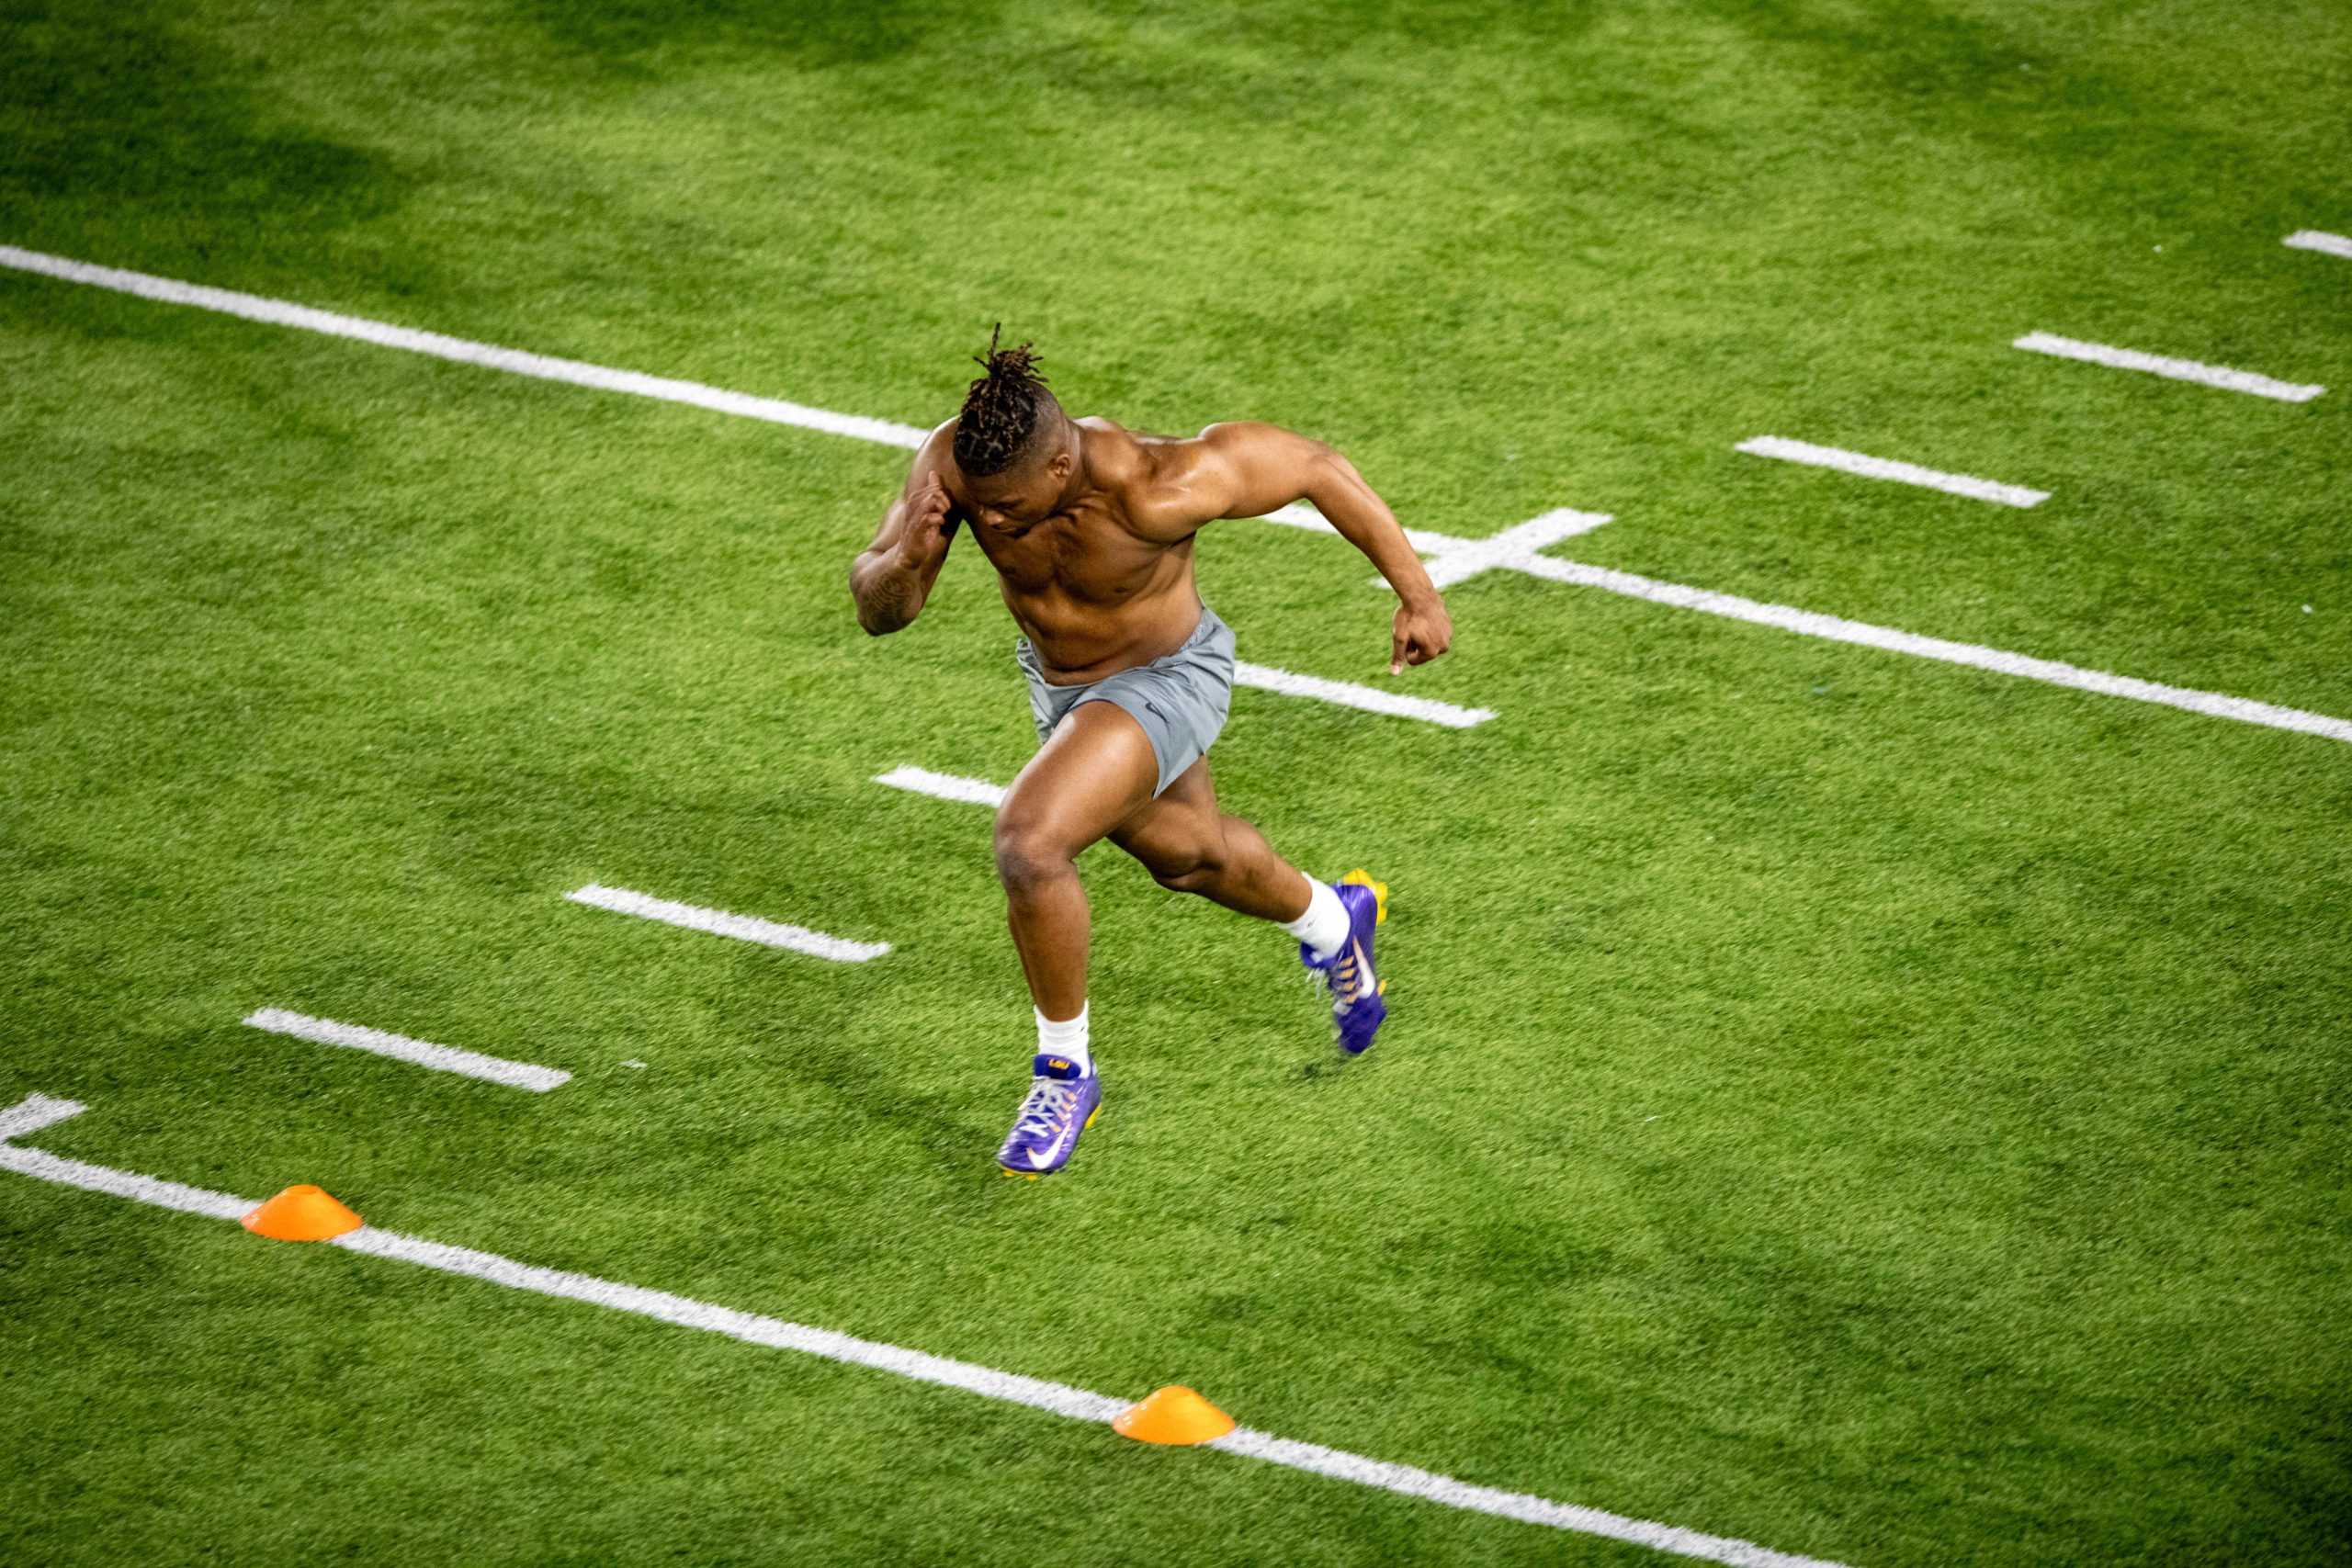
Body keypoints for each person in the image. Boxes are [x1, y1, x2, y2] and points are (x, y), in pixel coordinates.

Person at [848, 330, 1453, 1177]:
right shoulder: (956, 465)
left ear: (1060, 471)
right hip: (1067, 691)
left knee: (1030, 839)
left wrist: (1417, 594)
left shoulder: (1161, 484)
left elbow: (1318, 466)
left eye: (1005, 512)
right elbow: (880, 609)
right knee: (1188, 856)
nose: (986, 523)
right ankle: (1331, 917)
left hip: (1168, 677)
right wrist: (909, 559)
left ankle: (1064, 1072)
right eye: (980, 508)